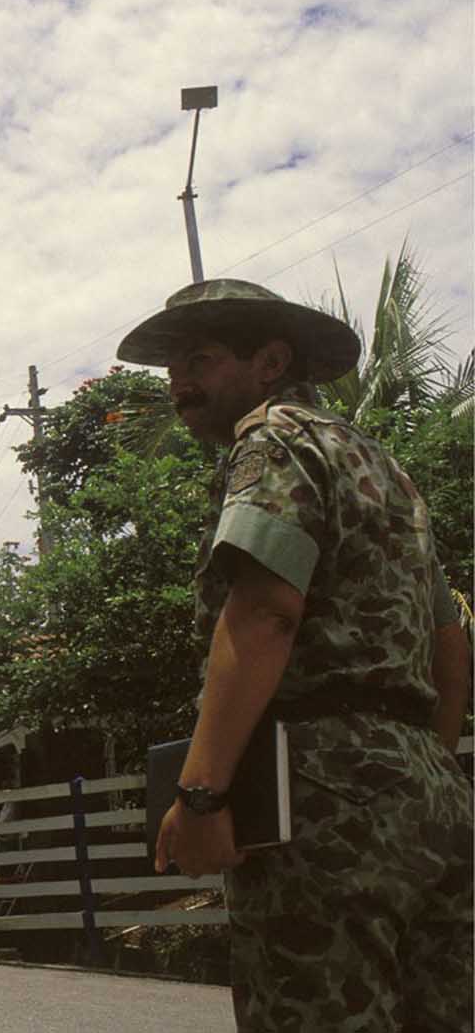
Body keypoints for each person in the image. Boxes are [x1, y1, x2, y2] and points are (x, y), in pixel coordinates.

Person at [123, 278, 473, 1030]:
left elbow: (264, 614)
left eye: (203, 359)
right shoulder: (392, 477)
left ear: (271, 361)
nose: (179, 381)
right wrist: (416, 778)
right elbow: (450, 647)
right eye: (174, 367)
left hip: (318, 798)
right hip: (433, 797)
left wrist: (203, 795)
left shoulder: (278, 440)